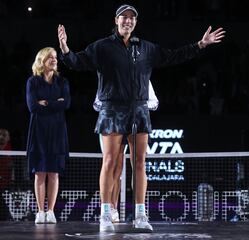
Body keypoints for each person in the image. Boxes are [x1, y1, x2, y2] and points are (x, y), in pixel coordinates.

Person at [57, 3, 224, 232]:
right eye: (123, 17)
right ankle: (106, 215)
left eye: (131, 18)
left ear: (135, 22)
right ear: (116, 21)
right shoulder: (102, 47)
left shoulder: (145, 48)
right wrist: (65, 50)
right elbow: (78, 62)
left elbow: (173, 56)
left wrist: (200, 44)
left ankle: (140, 215)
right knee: (110, 162)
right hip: (112, 109)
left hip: (139, 110)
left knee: (140, 163)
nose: (128, 21)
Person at [93, 80, 159, 223]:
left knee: (128, 165)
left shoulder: (141, 77)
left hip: (135, 120)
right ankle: (109, 209)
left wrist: (138, 105)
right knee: (112, 164)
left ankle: (131, 210)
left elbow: (154, 102)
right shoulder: (110, 75)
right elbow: (97, 103)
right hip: (114, 120)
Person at [26, 47, 71, 224]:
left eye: (55, 57)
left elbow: (66, 104)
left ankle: (50, 211)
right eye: (50, 57)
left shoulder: (62, 82)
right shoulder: (33, 82)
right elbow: (32, 107)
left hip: (57, 131)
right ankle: (40, 211)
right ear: (41, 61)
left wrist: (45, 103)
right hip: (39, 131)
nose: (54, 60)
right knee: (40, 172)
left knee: (54, 173)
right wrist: (55, 103)